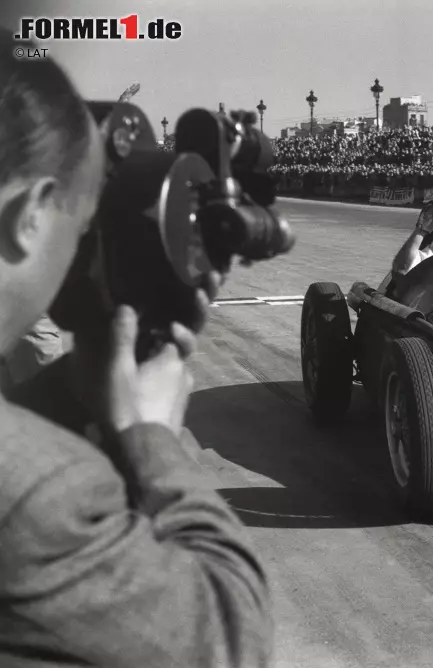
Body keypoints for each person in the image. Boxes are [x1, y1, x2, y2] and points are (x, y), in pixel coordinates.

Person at [0, 29, 273, 667]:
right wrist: (149, 436)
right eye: (81, 220)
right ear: (33, 214)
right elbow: (229, 640)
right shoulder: (47, 494)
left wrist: (78, 387)